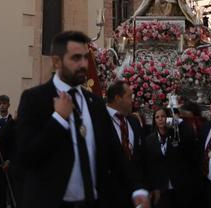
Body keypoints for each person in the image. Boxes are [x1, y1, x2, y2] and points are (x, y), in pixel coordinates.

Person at [13, 30, 149, 208]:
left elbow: (115, 152)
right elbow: (26, 156)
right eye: (76, 58)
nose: (84, 64)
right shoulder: (35, 99)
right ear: (56, 61)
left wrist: (136, 188)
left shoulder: (95, 103)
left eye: (86, 57)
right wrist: (58, 120)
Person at [141, 106, 197, 208]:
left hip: (179, 186)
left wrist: (179, 121)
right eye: (157, 117)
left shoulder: (177, 135)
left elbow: (190, 138)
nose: (160, 119)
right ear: (154, 120)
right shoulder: (149, 140)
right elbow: (148, 166)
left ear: (168, 118)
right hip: (161, 188)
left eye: (163, 116)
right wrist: (152, 188)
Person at [105, 81, 145, 173]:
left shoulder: (134, 121)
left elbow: (143, 154)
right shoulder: (100, 120)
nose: (132, 100)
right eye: (129, 96)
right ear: (118, 98)